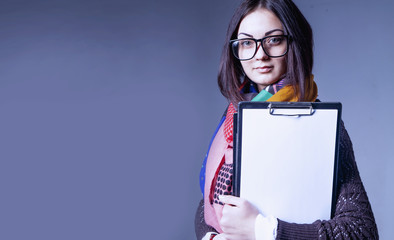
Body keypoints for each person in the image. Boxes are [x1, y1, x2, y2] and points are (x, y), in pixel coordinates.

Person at [194, 0, 379, 239]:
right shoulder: (235, 115)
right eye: (247, 42)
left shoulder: (321, 124)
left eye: (274, 40)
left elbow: (360, 232)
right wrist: (213, 237)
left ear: (295, 43)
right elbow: (208, 204)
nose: (260, 55)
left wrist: (262, 229)